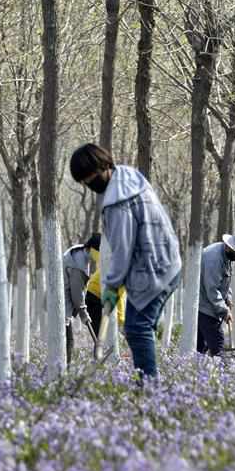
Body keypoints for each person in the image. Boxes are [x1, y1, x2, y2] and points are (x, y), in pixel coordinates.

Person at [69, 143, 181, 379]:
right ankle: (149, 384)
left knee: (137, 328)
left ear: (103, 165)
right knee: (140, 327)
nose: (88, 184)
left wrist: (111, 286)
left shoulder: (116, 202)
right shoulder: (129, 177)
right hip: (167, 262)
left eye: (88, 177)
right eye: (83, 181)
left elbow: (122, 250)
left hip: (152, 269)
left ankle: (149, 388)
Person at [197, 228, 235, 356]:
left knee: (200, 348)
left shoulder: (225, 255)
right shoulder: (214, 259)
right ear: (230, 247)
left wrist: (227, 297)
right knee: (217, 345)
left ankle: (198, 371)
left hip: (208, 305)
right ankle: (219, 372)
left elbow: (223, 281)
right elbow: (212, 289)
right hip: (205, 307)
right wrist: (224, 310)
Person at [62, 234, 99, 364]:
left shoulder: (78, 251)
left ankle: (62, 373)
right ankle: (61, 376)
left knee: (68, 342)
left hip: (62, 306)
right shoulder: (78, 264)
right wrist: (84, 314)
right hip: (62, 308)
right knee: (67, 343)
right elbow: (77, 294)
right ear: (91, 249)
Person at [84, 235, 126, 339]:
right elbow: (118, 297)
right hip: (93, 296)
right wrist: (121, 321)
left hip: (95, 293)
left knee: (103, 334)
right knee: (100, 336)